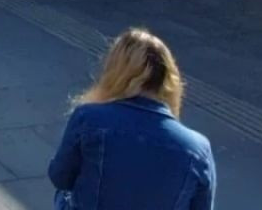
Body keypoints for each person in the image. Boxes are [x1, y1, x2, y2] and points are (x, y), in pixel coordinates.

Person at [49, 28, 214, 210]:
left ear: (116, 73)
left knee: (65, 194)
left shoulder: (89, 117)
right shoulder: (198, 148)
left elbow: (60, 177)